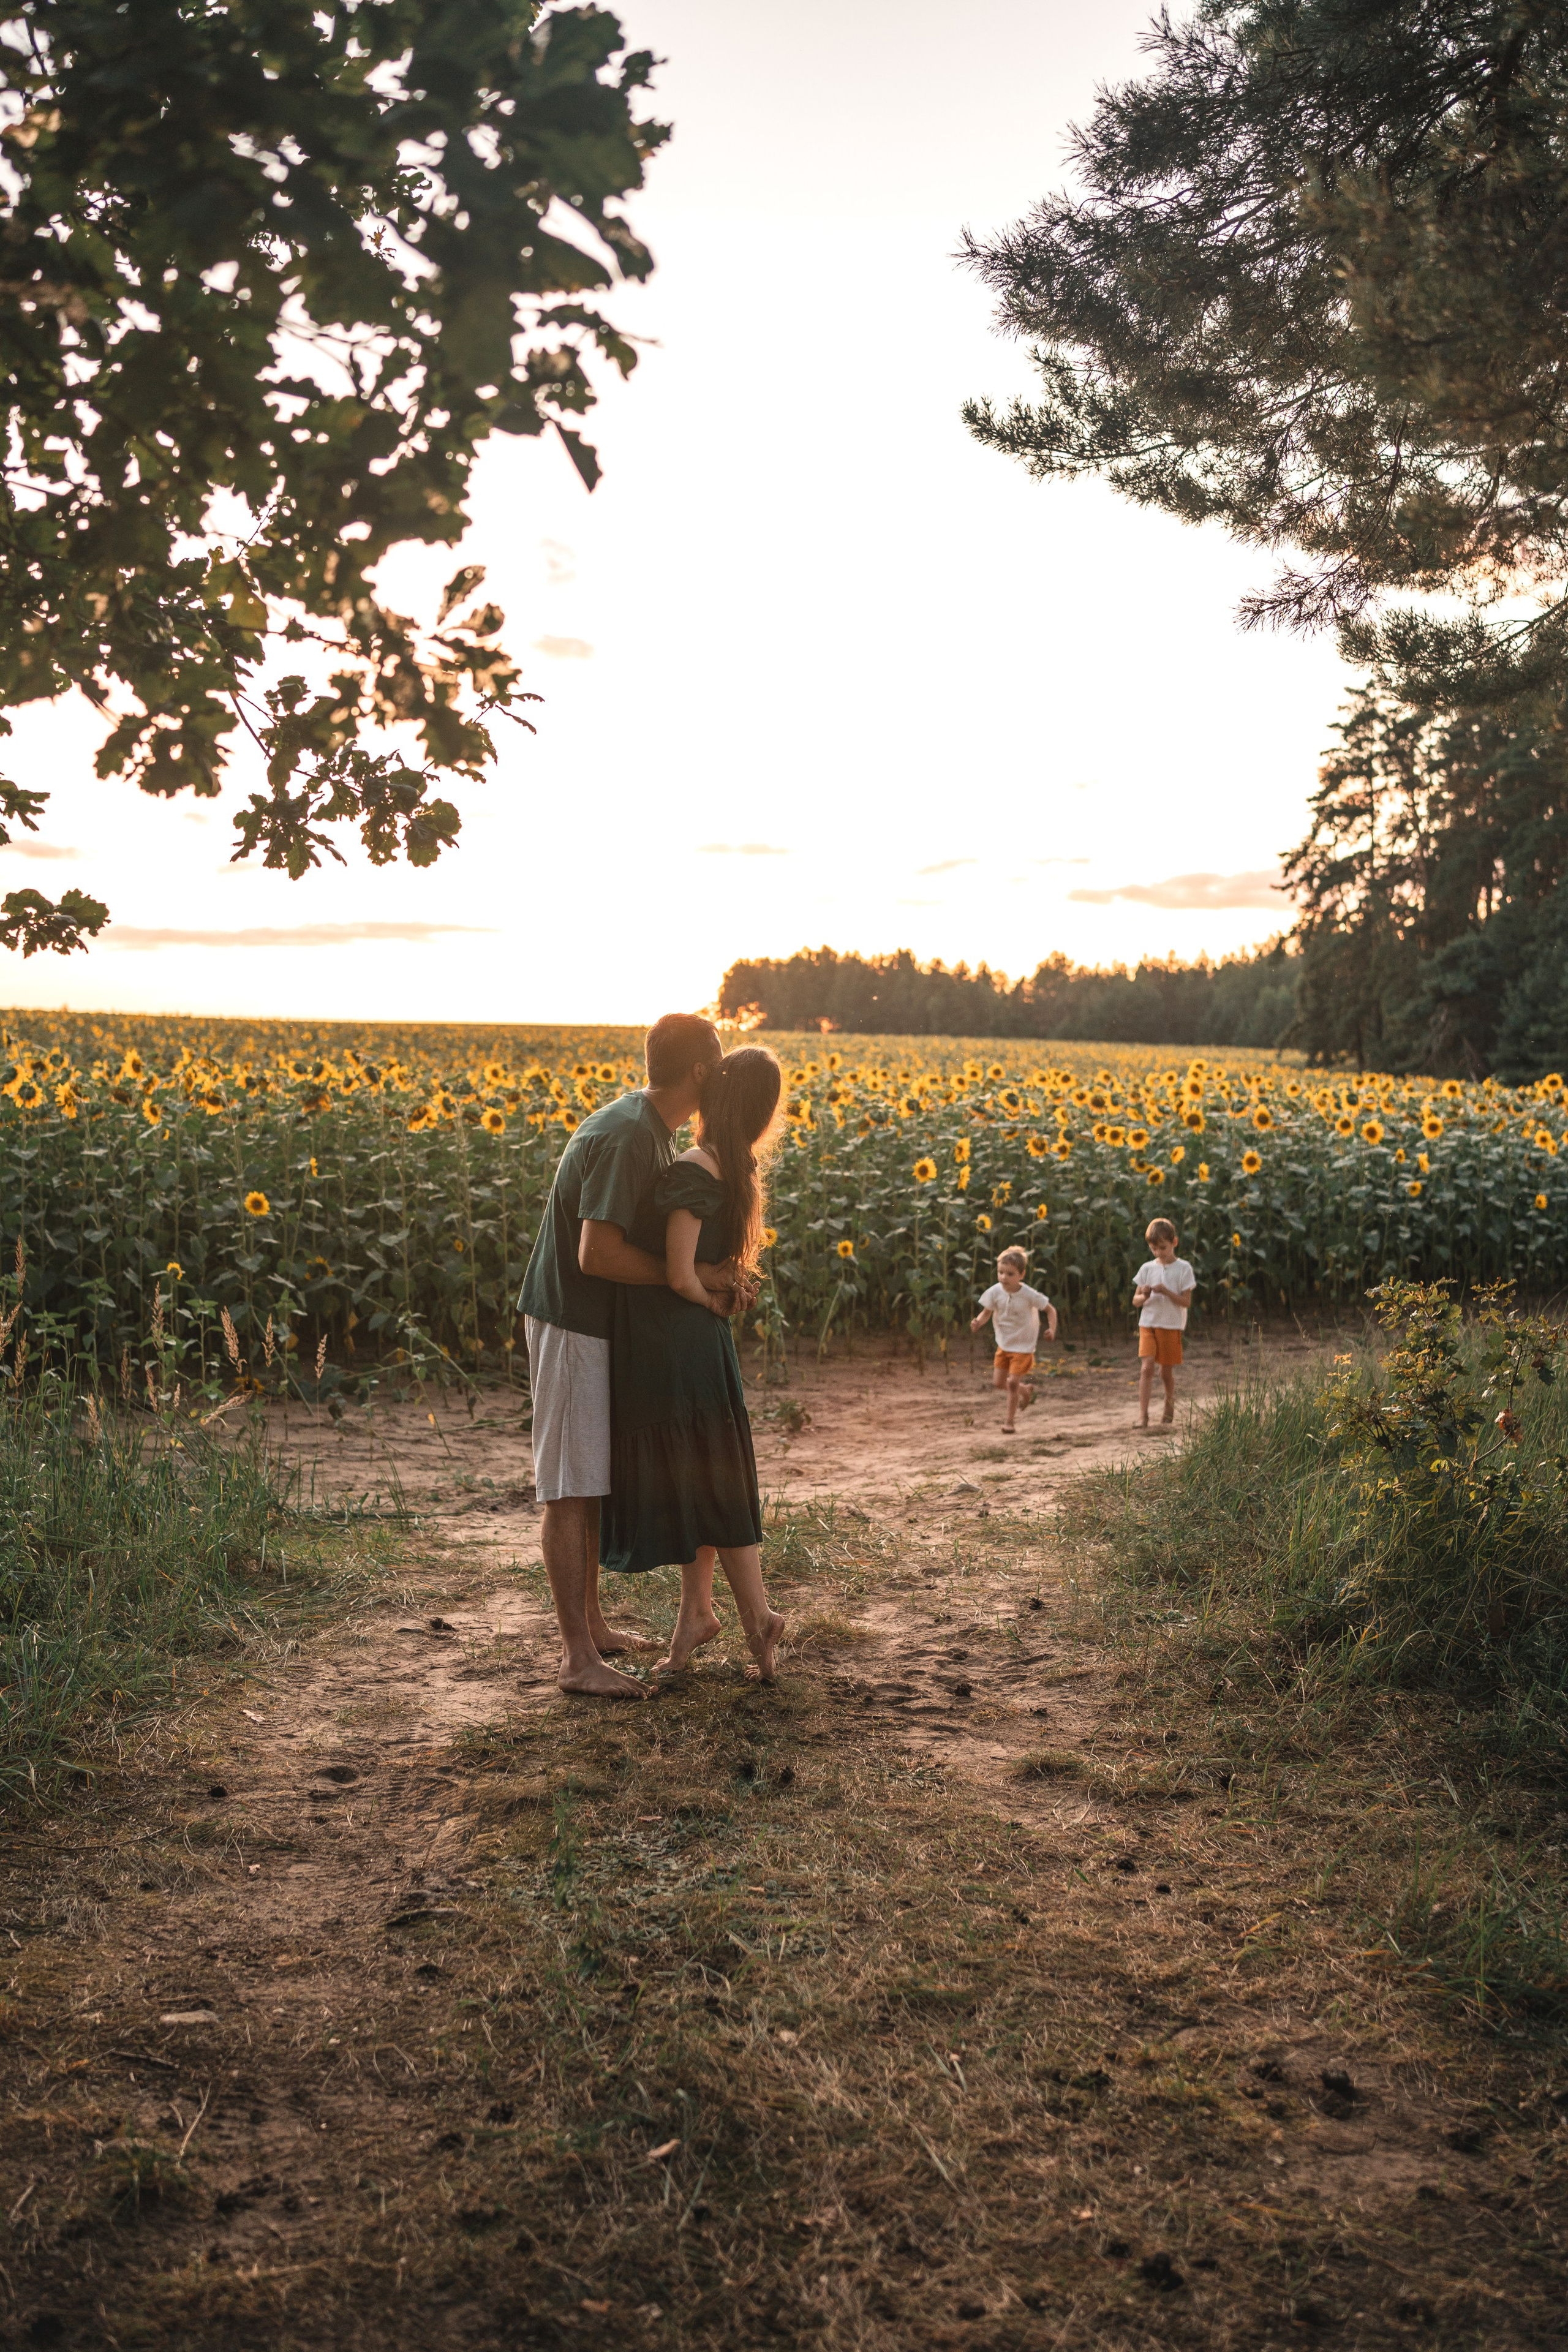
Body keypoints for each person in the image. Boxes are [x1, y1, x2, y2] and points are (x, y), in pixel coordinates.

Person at [519, 1013, 748, 1700]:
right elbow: (598, 1254)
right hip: (572, 1321)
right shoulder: (627, 1137)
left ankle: (593, 1626)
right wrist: (693, 1278)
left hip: (594, 1324)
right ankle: (576, 1661)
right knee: (570, 1488)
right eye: (721, 1065)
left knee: (590, 1482)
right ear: (701, 1072)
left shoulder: (650, 1129)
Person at [600, 1046, 785, 1683]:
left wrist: (706, 1294)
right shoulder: (737, 1169)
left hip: (676, 1342)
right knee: (708, 1474)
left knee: (708, 1480)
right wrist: (719, 1298)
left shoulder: (694, 1166)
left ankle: (757, 1616)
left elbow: (678, 1275)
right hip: (707, 1345)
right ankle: (697, 1618)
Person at [971, 1246, 1058, 1433]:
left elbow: (1050, 1309)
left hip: (1024, 1346)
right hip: (1004, 1344)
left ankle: (1009, 1423)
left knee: (1011, 1383)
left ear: (1022, 1274)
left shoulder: (1029, 1294)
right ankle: (1025, 1391)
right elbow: (987, 1312)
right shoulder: (995, 1292)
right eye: (1001, 1272)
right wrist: (978, 1322)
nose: (1004, 1278)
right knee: (998, 1383)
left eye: (1010, 1274)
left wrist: (1052, 1329)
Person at [1133, 1217, 1196, 1428]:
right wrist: (1145, 1295)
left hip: (1171, 1325)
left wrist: (1168, 1292)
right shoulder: (1147, 1269)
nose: (1159, 1253)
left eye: (1163, 1248)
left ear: (1174, 1243)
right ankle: (1143, 1416)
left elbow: (1186, 1302)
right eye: (1154, 1249)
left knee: (1165, 1372)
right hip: (1148, 1322)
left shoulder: (1184, 1269)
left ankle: (1169, 1404)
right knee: (1146, 1368)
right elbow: (1136, 1301)